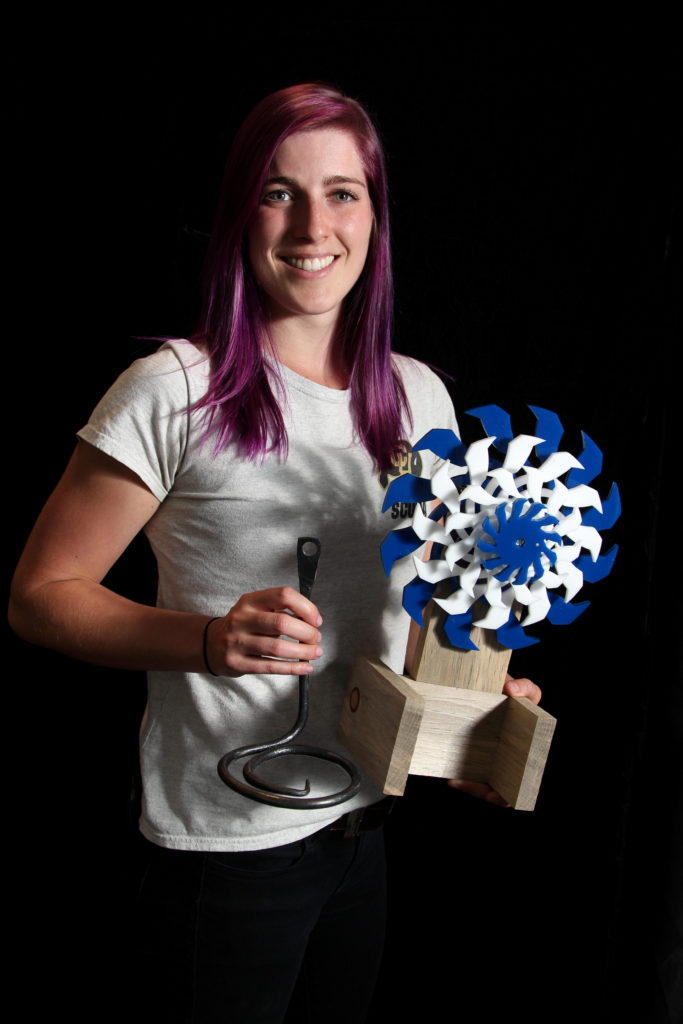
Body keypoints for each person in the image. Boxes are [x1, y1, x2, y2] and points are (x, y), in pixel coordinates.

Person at [9, 83, 540, 1022]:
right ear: (239, 214)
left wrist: (472, 711)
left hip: (362, 828)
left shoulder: (419, 398)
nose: (312, 226)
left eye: (342, 193)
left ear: (374, 216)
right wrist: (209, 640)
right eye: (277, 192)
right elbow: (43, 594)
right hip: (225, 850)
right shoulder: (173, 390)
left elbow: (421, 604)